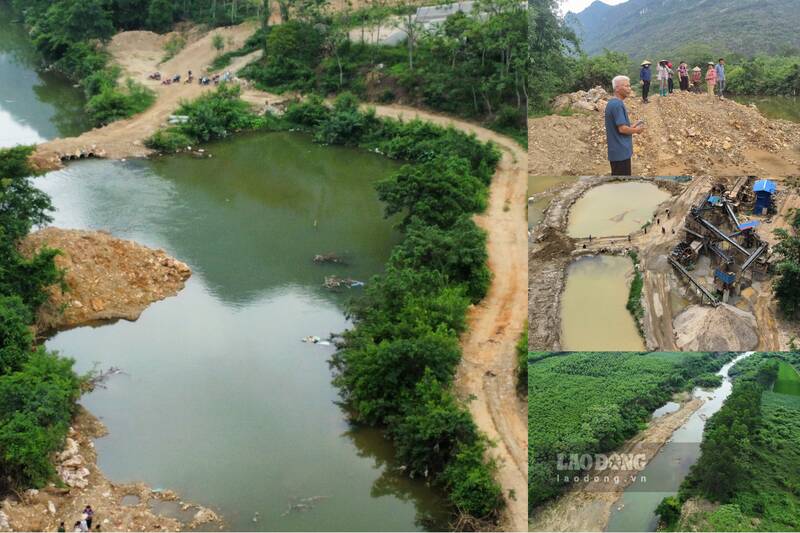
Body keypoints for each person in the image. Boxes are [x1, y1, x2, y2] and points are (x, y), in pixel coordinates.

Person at [604, 75, 645, 175]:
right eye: (626, 86)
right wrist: (637, 130)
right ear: (617, 88)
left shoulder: (613, 103)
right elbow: (622, 129)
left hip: (618, 152)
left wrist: (633, 126)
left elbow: (620, 126)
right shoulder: (617, 104)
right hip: (620, 152)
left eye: (629, 86)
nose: (629, 89)